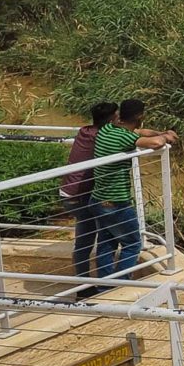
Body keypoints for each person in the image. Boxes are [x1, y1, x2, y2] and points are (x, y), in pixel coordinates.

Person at [90, 99, 176, 280]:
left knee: (107, 244)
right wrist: (165, 137)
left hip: (97, 199)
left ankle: (104, 286)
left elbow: (141, 133)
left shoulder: (107, 129)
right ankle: (120, 283)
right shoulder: (125, 137)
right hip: (116, 203)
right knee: (132, 244)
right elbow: (155, 143)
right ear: (140, 117)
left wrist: (161, 132)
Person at [60, 101, 117, 284]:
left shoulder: (85, 131)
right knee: (104, 237)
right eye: (117, 116)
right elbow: (132, 136)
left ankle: (84, 283)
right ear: (111, 119)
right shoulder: (102, 137)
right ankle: (102, 284)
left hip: (68, 193)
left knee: (85, 241)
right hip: (81, 197)